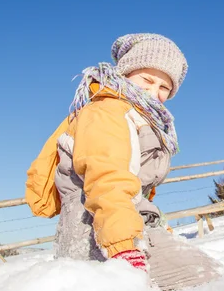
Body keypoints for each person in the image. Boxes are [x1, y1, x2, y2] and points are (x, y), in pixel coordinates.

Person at [26, 33, 187, 270]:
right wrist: (124, 248)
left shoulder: (142, 118)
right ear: (126, 72)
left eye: (165, 86)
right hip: (97, 236)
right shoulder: (109, 111)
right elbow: (108, 179)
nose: (155, 92)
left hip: (121, 226)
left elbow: (134, 189)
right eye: (147, 79)